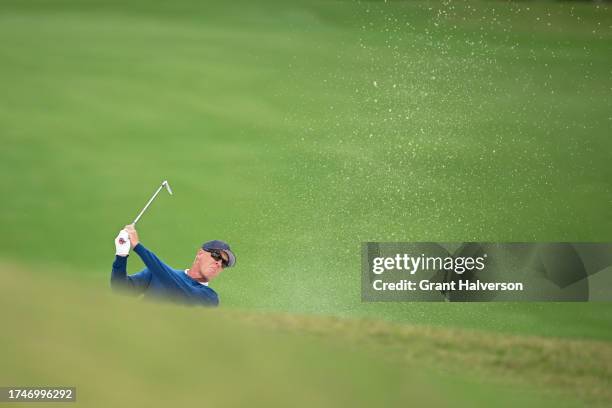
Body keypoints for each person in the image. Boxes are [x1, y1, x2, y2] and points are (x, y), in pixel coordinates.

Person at [111, 224, 236, 307]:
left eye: (224, 263)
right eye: (216, 256)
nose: (218, 263)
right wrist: (121, 256)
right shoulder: (155, 273)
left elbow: (175, 286)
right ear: (200, 253)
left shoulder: (210, 298)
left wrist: (138, 247)